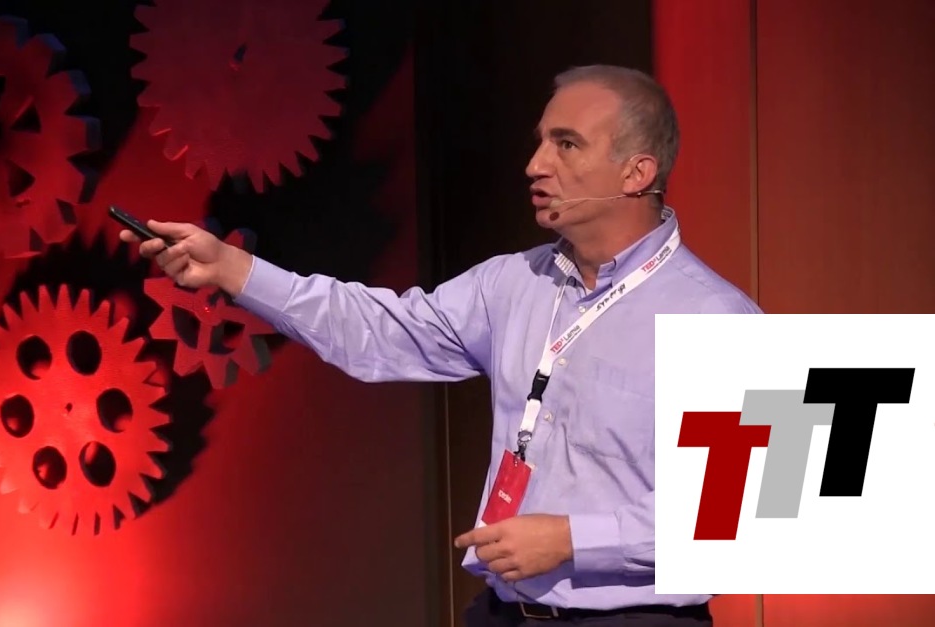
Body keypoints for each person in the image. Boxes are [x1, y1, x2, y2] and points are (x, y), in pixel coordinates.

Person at [122, 64, 761, 626]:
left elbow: (749, 519)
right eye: (540, 141)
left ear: (636, 172)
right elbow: (382, 330)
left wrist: (572, 540)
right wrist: (235, 270)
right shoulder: (513, 281)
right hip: (502, 613)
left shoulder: (725, 319)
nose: (535, 165)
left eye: (566, 144)